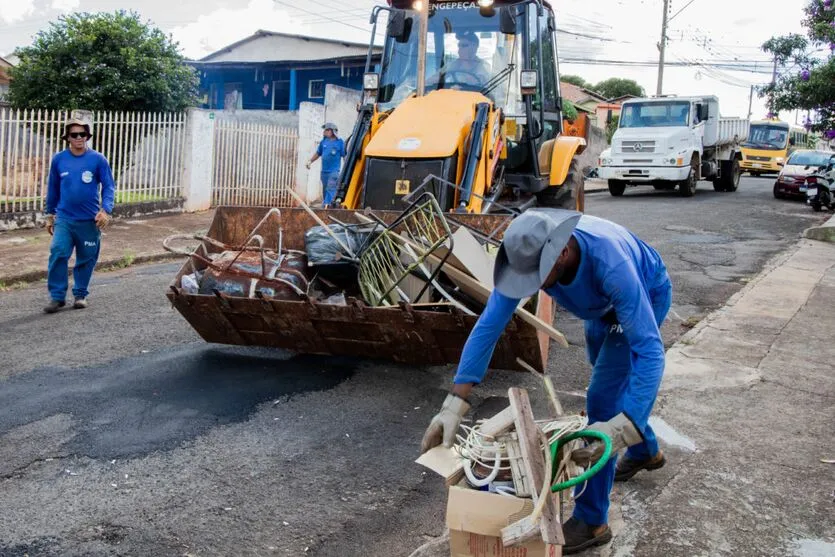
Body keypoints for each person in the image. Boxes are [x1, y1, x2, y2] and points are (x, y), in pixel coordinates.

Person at [421, 208, 672, 555]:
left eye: (539, 277)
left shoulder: (612, 266)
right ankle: (646, 451)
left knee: (603, 400)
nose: (532, 287)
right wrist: (454, 403)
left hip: (645, 292)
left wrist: (621, 429)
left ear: (564, 252)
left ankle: (592, 520)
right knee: (608, 377)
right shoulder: (531, 247)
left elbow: (650, 351)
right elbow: (490, 325)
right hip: (599, 308)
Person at [43, 118, 115, 314]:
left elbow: (108, 186)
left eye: (82, 134)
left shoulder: (98, 159)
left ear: (87, 137)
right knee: (58, 252)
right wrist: (50, 214)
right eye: (74, 135)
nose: (79, 138)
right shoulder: (59, 159)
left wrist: (106, 210)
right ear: (67, 137)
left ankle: (80, 294)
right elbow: (53, 188)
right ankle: (57, 297)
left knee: (86, 258)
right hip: (65, 218)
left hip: (90, 220)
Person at [427, 32, 491, 90]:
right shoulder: (453, 64)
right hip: (455, 98)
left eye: (464, 45)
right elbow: (435, 78)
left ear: (474, 47)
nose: (459, 49)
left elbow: (482, 82)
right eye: (459, 46)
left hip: (477, 99)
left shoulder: (483, 65)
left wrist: (466, 63)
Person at [306, 123, 346, 207]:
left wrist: (347, 168)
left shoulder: (340, 142)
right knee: (325, 190)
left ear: (333, 131)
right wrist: (310, 161)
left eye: (327, 130)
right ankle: (326, 205)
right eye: (325, 130)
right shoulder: (323, 142)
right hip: (324, 172)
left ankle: (328, 206)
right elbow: (318, 153)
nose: (325, 131)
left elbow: (344, 155)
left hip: (334, 172)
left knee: (331, 188)